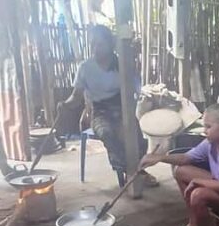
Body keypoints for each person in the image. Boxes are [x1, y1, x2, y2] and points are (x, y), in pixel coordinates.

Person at [61, 25, 156, 183]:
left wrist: (129, 113)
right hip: (100, 112)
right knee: (106, 132)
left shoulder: (122, 65)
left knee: (135, 135)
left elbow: (134, 90)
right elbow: (76, 97)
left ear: (110, 45)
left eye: (100, 44)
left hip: (122, 108)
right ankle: (129, 170)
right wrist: (64, 105)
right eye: (92, 44)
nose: (95, 49)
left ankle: (139, 170)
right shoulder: (85, 68)